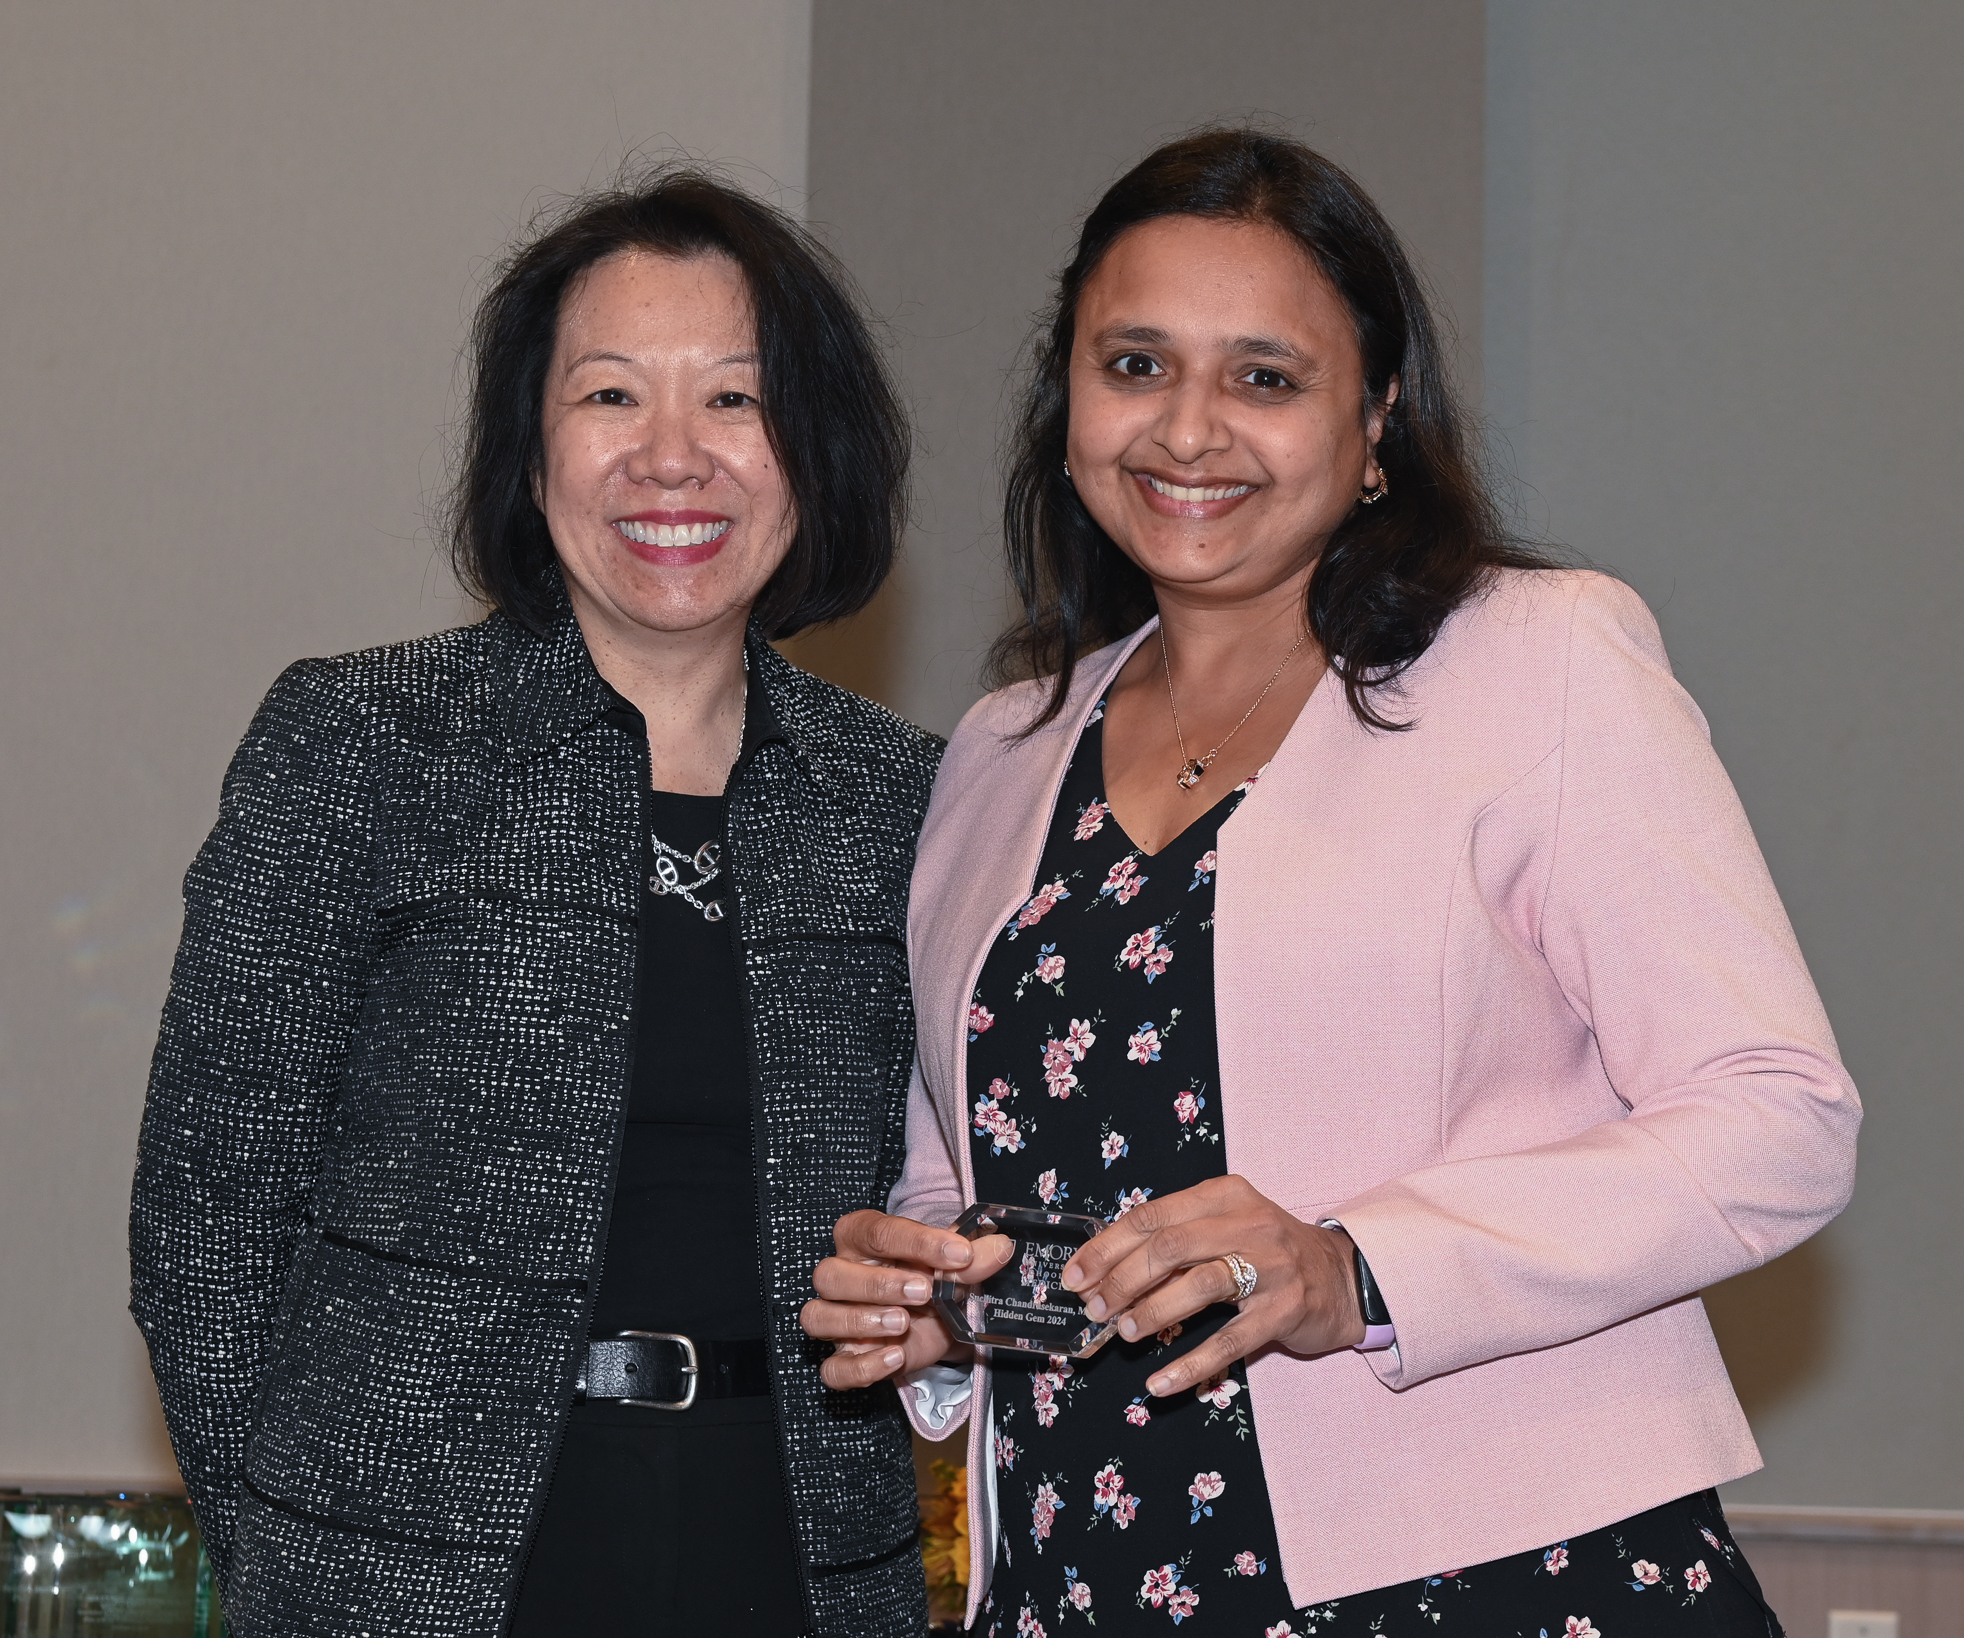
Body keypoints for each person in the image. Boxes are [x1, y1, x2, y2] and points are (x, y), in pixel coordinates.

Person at [804, 129, 1857, 1635]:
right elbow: (961, 1182)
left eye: (1265, 377)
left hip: (1489, 1573)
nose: (1189, 429)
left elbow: (1781, 1118)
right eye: (1136, 365)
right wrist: (930, 1307)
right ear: (1068, 410)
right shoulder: (1000, 747)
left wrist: (1356, 1269)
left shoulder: (1539, 660)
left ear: (1375, 426)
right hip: (1084, 1573)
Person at [131, 169, 940, 1638]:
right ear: (530, 450)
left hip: (804, 1560)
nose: (673, 458)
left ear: (811, 451)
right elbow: (209, 1203)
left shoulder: (906, 798)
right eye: (612, 397)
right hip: (405, 1572)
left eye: (737, 402)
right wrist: (298, 1552)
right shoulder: (365, 741)